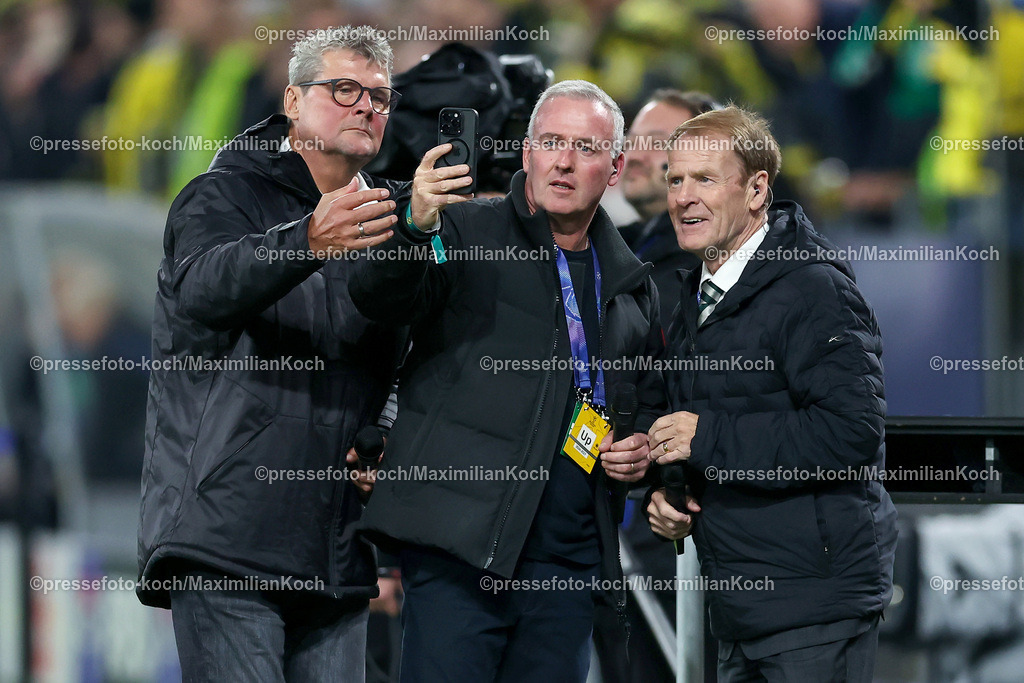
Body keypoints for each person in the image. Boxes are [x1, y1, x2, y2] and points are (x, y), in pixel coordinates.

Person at [349, 80, 667, 682]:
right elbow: (381, 296)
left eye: (585, 147)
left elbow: (644, 402)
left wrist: (640, 446)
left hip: (567, 568)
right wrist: (415, 229)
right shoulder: (465, 232)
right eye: (550, 141)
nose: (564, 161)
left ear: (617, 166)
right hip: (458, 556)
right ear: (526, 153)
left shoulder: (630, 283)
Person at [136, 26, 409, 681]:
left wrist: (387, 437)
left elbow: (396, 364)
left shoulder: (387, 225)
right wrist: (308, 240)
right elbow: (203, 288)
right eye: (344, 89)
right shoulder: (222, 194)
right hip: (227, 539)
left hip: (335, 551)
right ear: (292, 99)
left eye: (379, 96)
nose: (366, 106)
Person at [646, 106, 897, 682]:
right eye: (675, 179)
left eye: (705, 179)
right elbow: (710, 424)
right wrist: (670, 494)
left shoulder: (812, 288)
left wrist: (705, 439)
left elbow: (849, 433)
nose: (683, 197)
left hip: (815, 609)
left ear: (757, 188)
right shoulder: (694, 294)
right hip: (742, 612)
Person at [619, 89, 717, 324]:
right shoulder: (623, 241)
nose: (634, 156)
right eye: (631, 141)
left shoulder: (700, 259)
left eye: (656, 143)